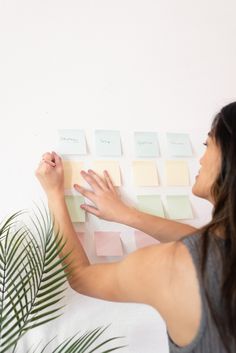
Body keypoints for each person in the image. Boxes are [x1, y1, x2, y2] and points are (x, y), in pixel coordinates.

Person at [36, 102, 236, 353]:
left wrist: (54, 193)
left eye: (208, 144)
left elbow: (81, 277)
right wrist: (127, 215)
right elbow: (206, 242)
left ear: (229, 155)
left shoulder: (175, 265)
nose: (201, 157)